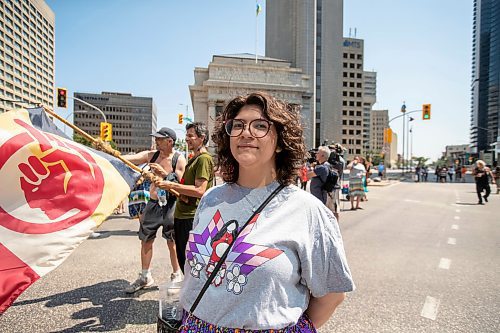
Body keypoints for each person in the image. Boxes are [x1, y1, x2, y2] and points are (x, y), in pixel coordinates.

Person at [175, 92, 354, 331]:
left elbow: (332, 294)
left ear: (280, 142)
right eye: (237, 125)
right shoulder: (210, 198)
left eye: (260, 125)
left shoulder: (307, 210)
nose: (245, 132)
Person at [123, 127, 186, 293]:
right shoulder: (152, 155)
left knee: (172, 240)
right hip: (153, 202)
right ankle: (145, 276)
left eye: (159, 139)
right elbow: (132, 159)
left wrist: (164, 174)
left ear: (170, 141)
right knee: (146, 238)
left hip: (171, 204)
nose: (156, 142)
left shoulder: (179, 159)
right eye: (156, 139)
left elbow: (181, 183)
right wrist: (109, 153)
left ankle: (176, 274)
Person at [155, 122, 214, 273]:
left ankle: (193, 295)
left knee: (190, 263)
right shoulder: (195, 158)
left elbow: (200, 190)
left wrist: (170, 185)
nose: (187, 139)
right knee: (184, 260)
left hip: (191, 217)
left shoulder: (203, 159)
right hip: (183, 215)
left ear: (201, 138)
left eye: (190, 136)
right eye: (186, 135)